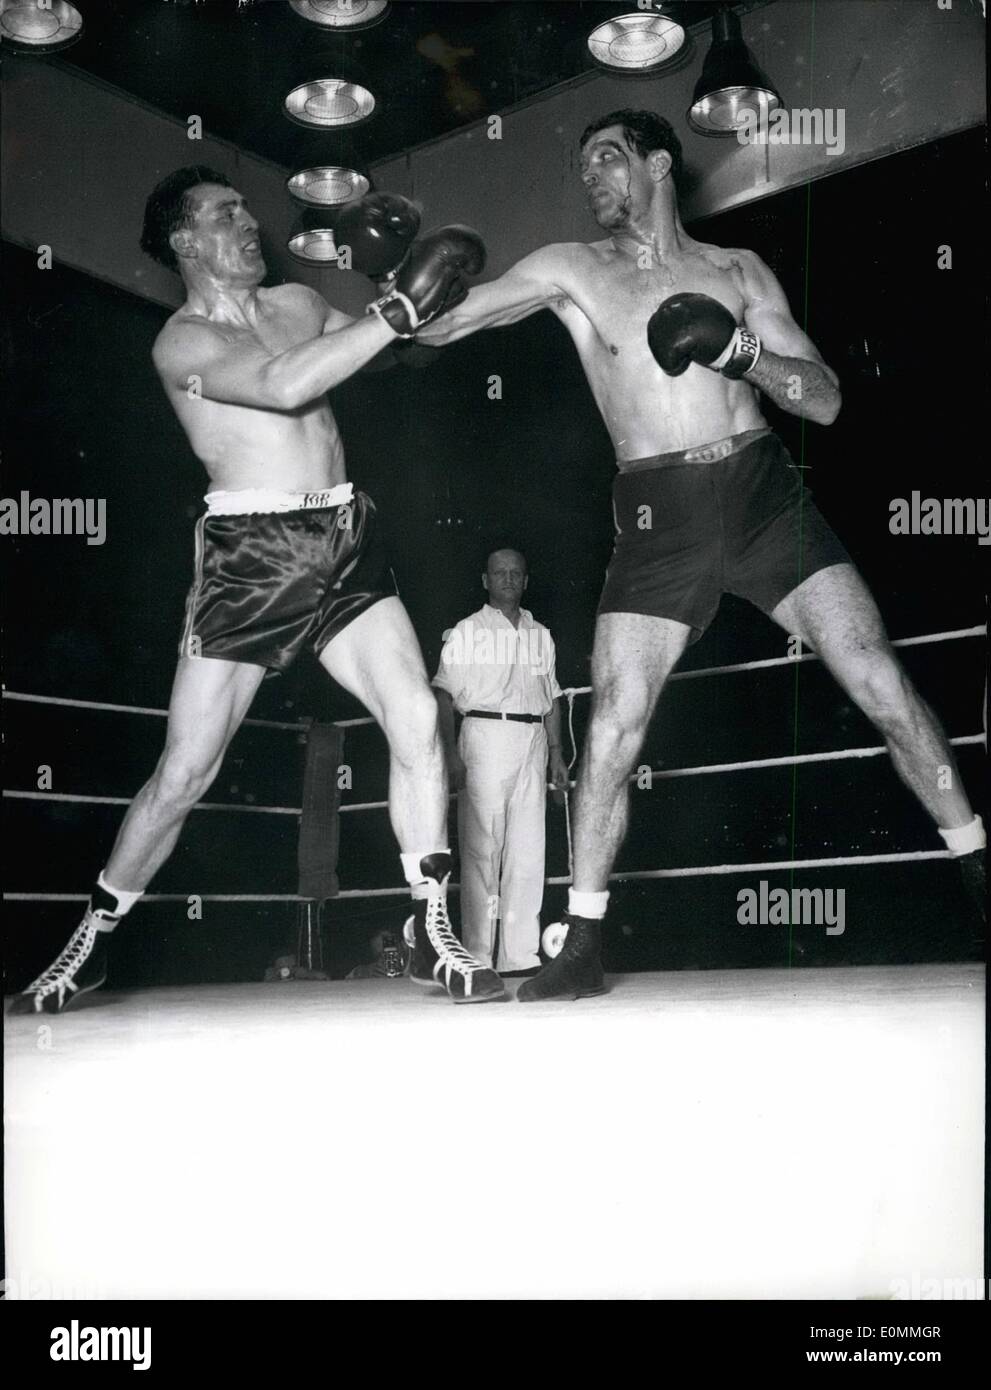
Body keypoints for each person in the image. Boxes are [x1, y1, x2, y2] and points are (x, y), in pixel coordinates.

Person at [418, 109, 986, 1001]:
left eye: (606, 157)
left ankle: (978, 877)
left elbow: (825, 400)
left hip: (764, 496)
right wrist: (406, 295)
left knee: (878, 681)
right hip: (656, 515)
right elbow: (445, 329)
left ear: (657, 164)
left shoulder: (737, 271)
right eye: (582, 166)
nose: (591, 178)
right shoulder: (571, 270)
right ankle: (583, 942)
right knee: (610, 726)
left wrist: (740, 350)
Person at [11, 167, 504, 1013]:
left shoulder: (299, 306)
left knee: (418, 716)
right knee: (185, 770)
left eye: (244, 208)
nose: (248, 222)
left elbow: (403, 354)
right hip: (252, 556)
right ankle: (89, 941)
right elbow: (285, 388)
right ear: (182, 240)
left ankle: (430, 925)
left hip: (345, 538)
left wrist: (407, 290)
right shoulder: (183, 345)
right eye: (223, 213)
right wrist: (395, 311)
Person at [432, 548, 570, 974]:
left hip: (533, 740)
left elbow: (552, 699)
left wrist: (558, 755)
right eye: (499, 573)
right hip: (484, 734)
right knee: (480, 851)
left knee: (529, 853)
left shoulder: (540, 634)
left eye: (516, 573)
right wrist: (451, 753)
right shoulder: (466, 632)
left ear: (526, 581)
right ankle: (476, 956)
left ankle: (520, 956)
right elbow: (442, 693)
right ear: (485, 580)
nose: (508, 579)